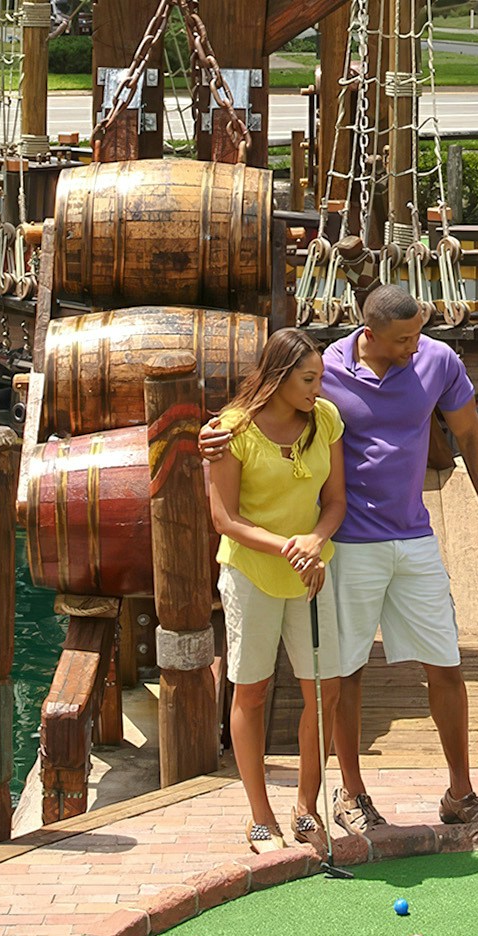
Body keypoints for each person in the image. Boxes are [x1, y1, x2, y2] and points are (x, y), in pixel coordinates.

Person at [202, 285, 478, 833]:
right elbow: (259, 412)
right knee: (343, 674)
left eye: (418, 333)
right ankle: (352, 796)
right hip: (346, 544)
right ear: (368, 333)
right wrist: (210, 435)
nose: (415, 346)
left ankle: (460, 793)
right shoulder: (325, 373)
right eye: (403, 339)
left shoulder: (437, 360)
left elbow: (470, 432)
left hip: (413, 535)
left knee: (446, 663)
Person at [206, 328, 348, 854]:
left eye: (321, 378)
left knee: (323, 692)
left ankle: (307, 808)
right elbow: (224, 518)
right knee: (252, 691)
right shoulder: (230, 430)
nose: (318, 388)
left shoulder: (326, 420)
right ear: (279, 378)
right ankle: (261, 817)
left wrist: (314, 540)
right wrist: (289, 546)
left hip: (310, 570)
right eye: (309, 379)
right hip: (252, 575)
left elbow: (335, 502)